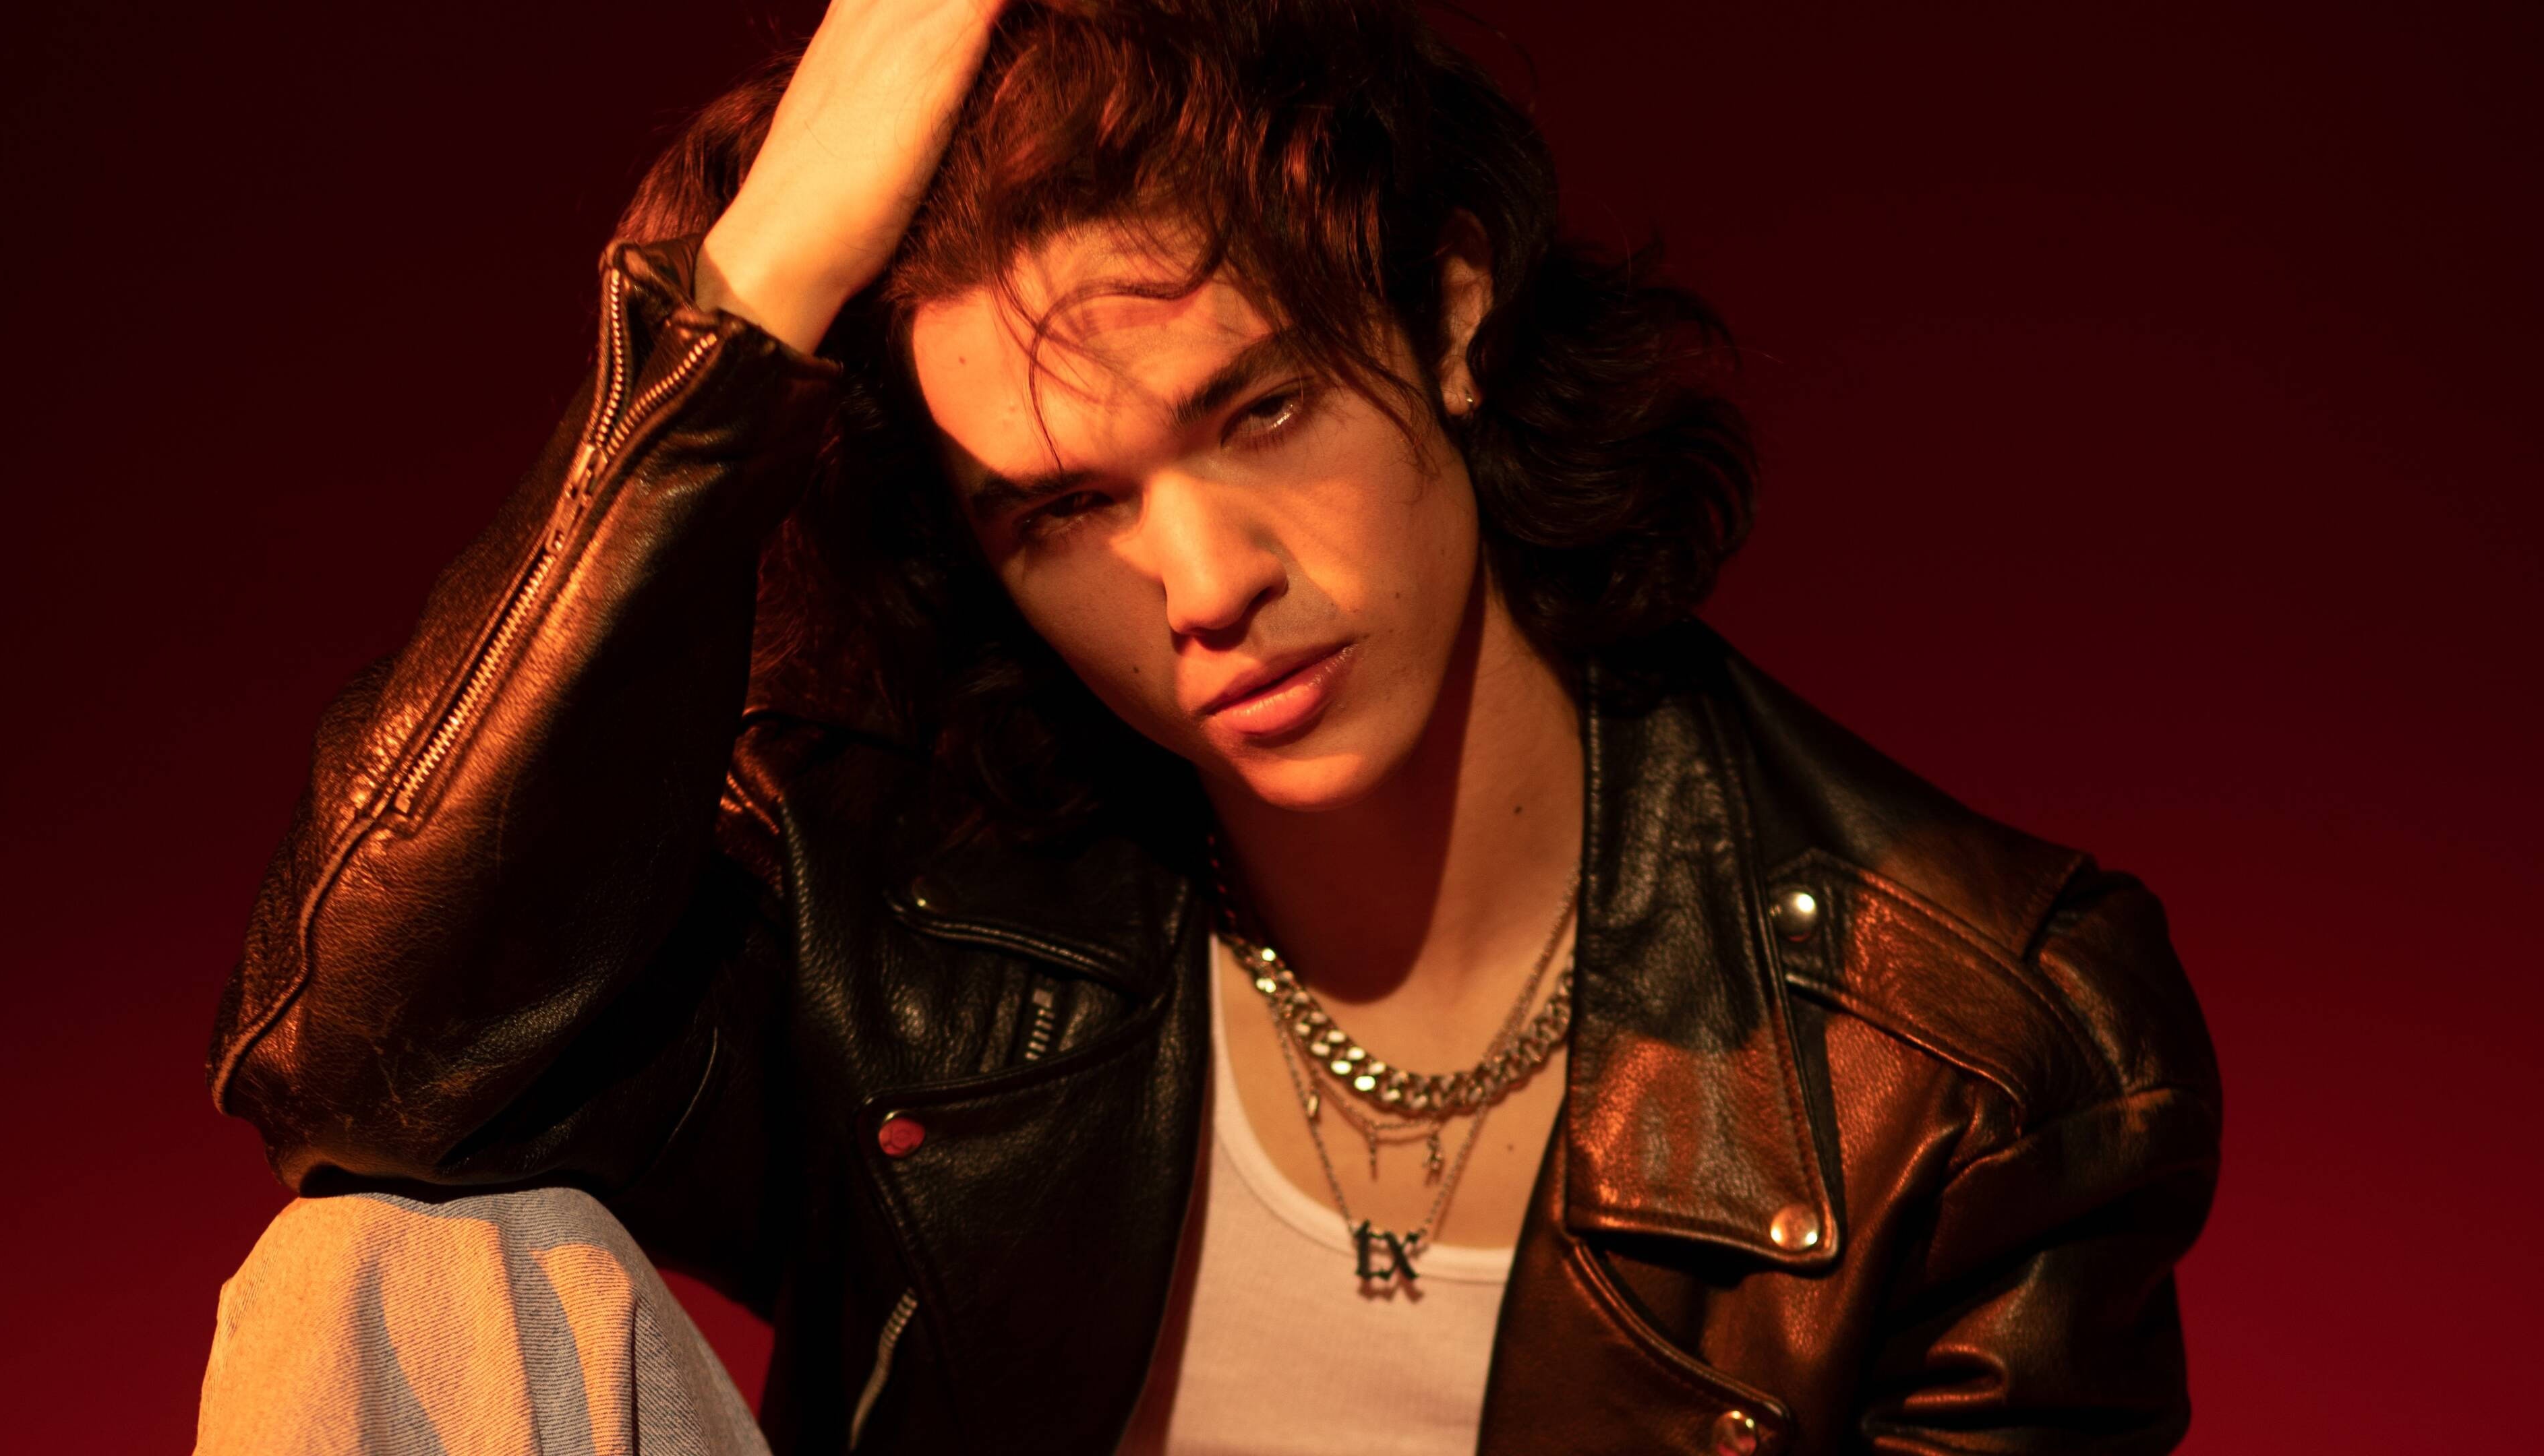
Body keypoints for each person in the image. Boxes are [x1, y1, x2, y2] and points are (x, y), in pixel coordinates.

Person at [199, 1, 2223, 1452]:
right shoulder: (910, 898)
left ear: (1446, 315)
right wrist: (746, 293)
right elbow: (359, 1063)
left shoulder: (1964, 1058)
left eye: (1257, 411)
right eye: (1064, 509)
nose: (1202, 580)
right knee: (380, 1270)